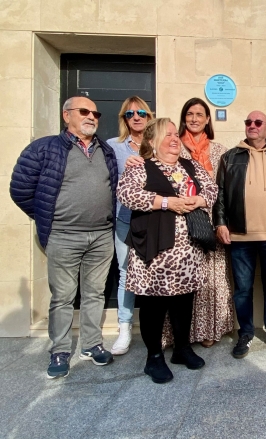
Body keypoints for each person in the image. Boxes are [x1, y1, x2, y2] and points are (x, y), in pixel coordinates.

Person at [10, 96, 118, 379]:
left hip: (101, 235)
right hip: (63, 235)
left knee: (94, 293)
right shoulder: (44, 149)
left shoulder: (104, 149)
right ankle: (59, 350)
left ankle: (92, 345)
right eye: (84, 111)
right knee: (63, 297)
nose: (92, 117)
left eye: (95, 113)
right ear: (66, 115)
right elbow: (20, 190)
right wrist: (47, 216)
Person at [117, 118, 217, 384]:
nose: (174, 139)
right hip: (156, 248)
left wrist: (199, 199)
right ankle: (154, 357)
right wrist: (165, 202)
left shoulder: (189, 165)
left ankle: (182, 349)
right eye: (166, 135)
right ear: (151, 141)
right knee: (154, 303)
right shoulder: (142, 167)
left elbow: (211, 188)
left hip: (188, 251)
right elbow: (125, 194)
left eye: (176, 134)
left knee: (184, 300)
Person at [214, 111, 266, 359]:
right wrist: (221, 223)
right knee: (243, 289)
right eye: (248, 122)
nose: (252, 126)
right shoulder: (230, 157)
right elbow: (221, 194)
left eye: (258, 123)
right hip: (240, 237)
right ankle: (245, 333)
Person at [164, 98, 234, 348]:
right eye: (190, 114)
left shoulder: (219, 150)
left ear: (207, 119)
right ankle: (180, 335)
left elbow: (225, 189)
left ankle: (208, 331)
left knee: (211, 279)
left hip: (212, 222)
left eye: (199, 114)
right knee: (182, 278)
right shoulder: (173, 146)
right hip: (180, 224)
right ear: (184, 118)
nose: (194, 118)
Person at [107, 96, 154, 355]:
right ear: (124, 119)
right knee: (126, 273)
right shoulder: (113, 147)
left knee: (154, 271)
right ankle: (124, 328)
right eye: (129, 114)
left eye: (141, 113)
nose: (136, 117)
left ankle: (156, 329)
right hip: (125, 220)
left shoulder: (157, 145)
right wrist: (126, 168)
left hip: (155, 221)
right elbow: (104, 181)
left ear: (149, 116)